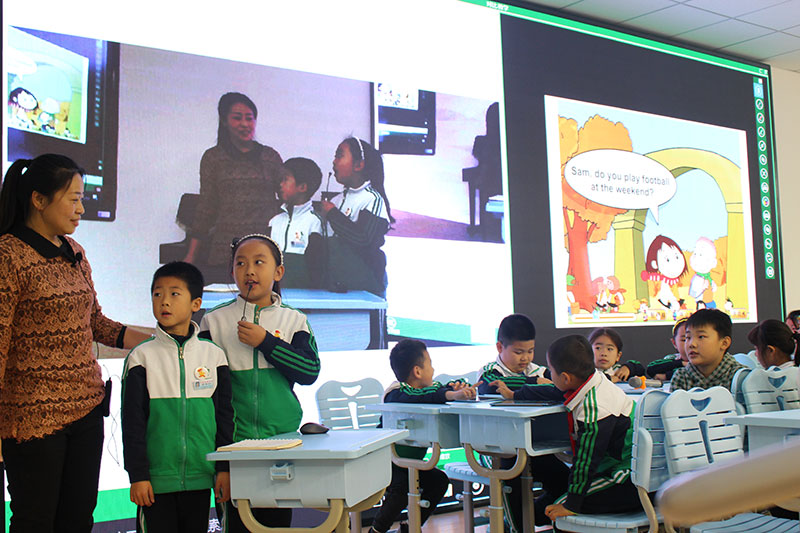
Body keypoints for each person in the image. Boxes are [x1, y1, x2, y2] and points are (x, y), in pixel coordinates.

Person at [0, 154, 151, 531]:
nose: (81, 209)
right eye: (73, 199)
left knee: (78, 519)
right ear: (38, 199)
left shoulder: (75, 252)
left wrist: (160, 339)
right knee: (35, 521)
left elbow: (95, 323)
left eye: (82, 199)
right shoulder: (8, 254)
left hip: (86, 409)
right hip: (32, 417)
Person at [199, 234, 320, 532]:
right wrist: (221, 463)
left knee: (277, 526)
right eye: (240, 263)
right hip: (233, 448)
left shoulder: (294, 320)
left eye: (258, 262)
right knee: (236, 525)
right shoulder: (214, 321)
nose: (249, 271)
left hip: (282, 446)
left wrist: (267, 341)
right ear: (232, 272)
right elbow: (205, 392)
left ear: (278, 272)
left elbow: (309, 371)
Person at [122, 261, 234, 532]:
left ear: (196, 304)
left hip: (201, 478)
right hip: (155, 483)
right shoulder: (141, 357)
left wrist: (224, 468)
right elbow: (132, 424)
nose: (164, 301)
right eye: (157, 293)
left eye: (174, 293)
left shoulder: (214, 356)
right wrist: (138, 476)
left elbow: (224, 418)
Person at [499, 336, 641, 522]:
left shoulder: (594, 409)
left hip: (625, 478)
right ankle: (521, 521)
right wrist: (516, 395)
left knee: (556, 508)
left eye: (551, 371)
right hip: (629, 472)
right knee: (547, 505)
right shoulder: (595, 380)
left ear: (565, 377)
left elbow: (586, 461)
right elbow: (556, 391)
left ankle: (518, 522)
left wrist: (571, 505)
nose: (550, 376)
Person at [370, 339, 480, 533]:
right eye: (430, 364)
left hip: (410, 464)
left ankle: (410, 528)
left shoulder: (426, 390)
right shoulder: (395, 393)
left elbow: (434, 392)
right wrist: (450, 395)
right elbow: (419, 396)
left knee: (439, 481)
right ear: (417, 371)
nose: (433, 369)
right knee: (402, 488)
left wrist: (454, 390)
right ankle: (377, 530)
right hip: (386, 462)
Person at [184, 92, 284, 282]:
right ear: (224, 121)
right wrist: (190, 257)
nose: (245, 124)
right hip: (226, 251)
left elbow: (287, 196)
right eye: (237, 118)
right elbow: (206, 208)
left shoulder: (270, 157)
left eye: (249, 118)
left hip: (265, 249)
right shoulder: (213, 158)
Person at [318, 137, 392, 296]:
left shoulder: (372, 199)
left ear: (358, 165)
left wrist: (332, 214)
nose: (334, 161)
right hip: (337, 288)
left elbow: (364, 238)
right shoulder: (336, 200)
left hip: (366, 289)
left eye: (339, 156)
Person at [269, 157, 325, 287]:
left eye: (285, 179)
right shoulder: (274, 222)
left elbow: (317, 269)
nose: (280, 184)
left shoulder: (315, 223)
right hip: (274, 293)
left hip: (303, 294)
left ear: (302, 187)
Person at [670, 309, 745, 391]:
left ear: (724, 343)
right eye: (688, 338)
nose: (691, 344)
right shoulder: (681, 376)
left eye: (701, 337)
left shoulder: (741, 377)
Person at [478, 314, 551, 395]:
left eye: (530, 351)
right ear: (500, 347)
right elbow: (491, 385)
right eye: (518, 352)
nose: (525, 358)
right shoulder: (490, 371)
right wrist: (534, 382)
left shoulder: (539, 371)